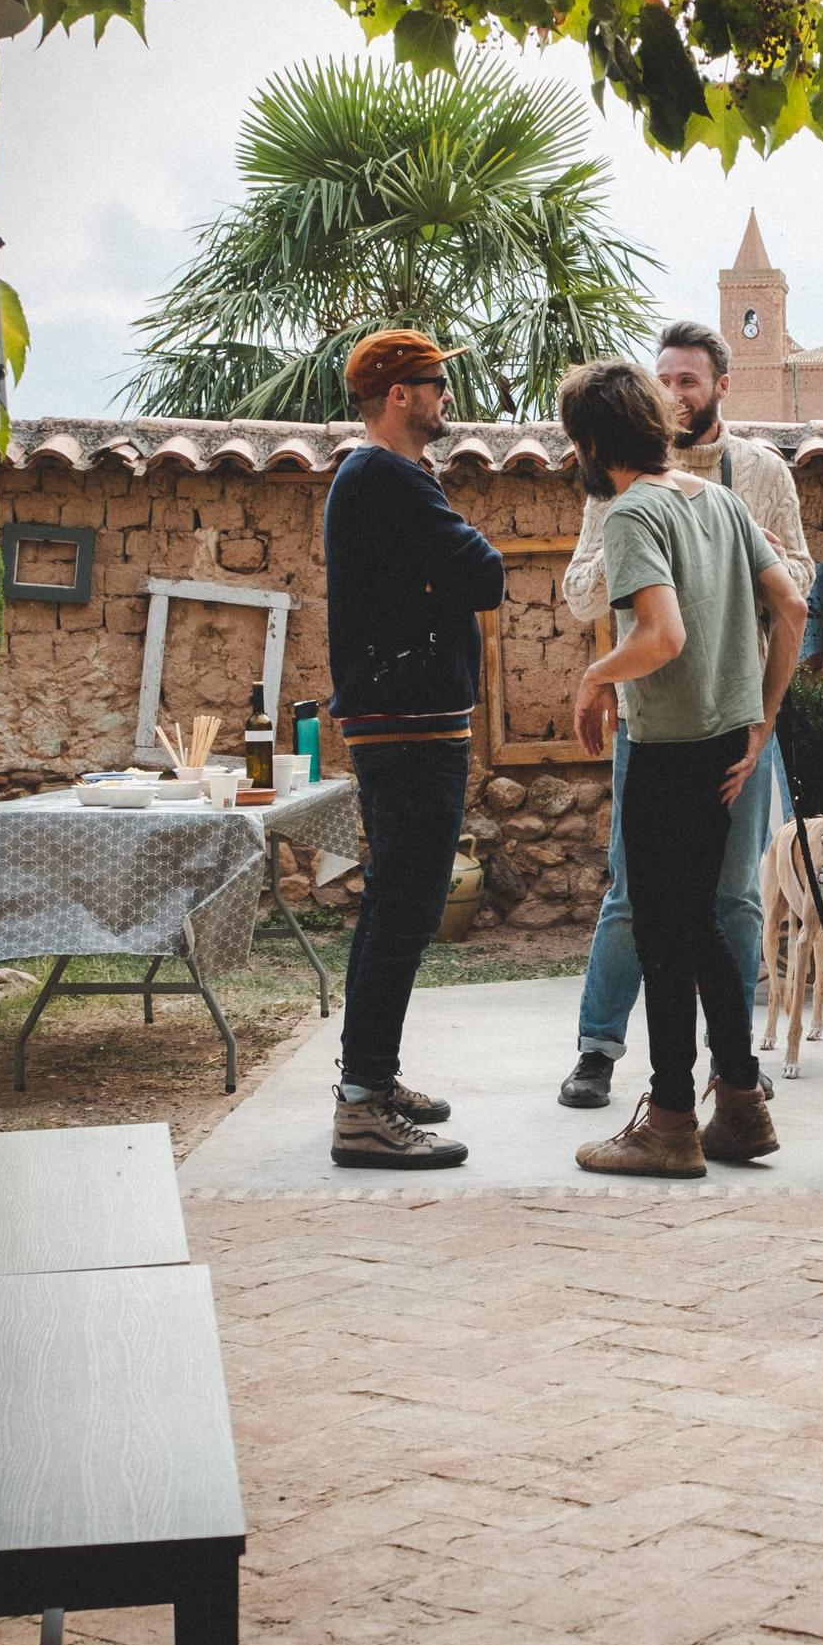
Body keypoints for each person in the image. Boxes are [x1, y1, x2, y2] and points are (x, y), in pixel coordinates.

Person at [555, 320, 816, 1107]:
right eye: (662, 380)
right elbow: (580, 595)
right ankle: (640, 1061)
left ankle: (689, 1097)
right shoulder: (663, 506)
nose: (677, 391)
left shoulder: (750, 476)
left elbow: (674, 627)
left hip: (692, 734)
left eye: (689, 379)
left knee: (712, 908)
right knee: (649, 905)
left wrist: (597, 676)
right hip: (706, 726)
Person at [324, 328, 507, 1169]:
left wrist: (442, 572)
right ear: (398, 396)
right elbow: (488, 576)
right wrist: (447, 571)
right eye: (433, 383)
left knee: (399, 902)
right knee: (403, 904)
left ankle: (373, 1077)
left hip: (409, 720)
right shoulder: (385, 477)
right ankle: (362, 1106)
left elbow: (462, 575)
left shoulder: (396, 482)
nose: (444, 395)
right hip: (406, 726)